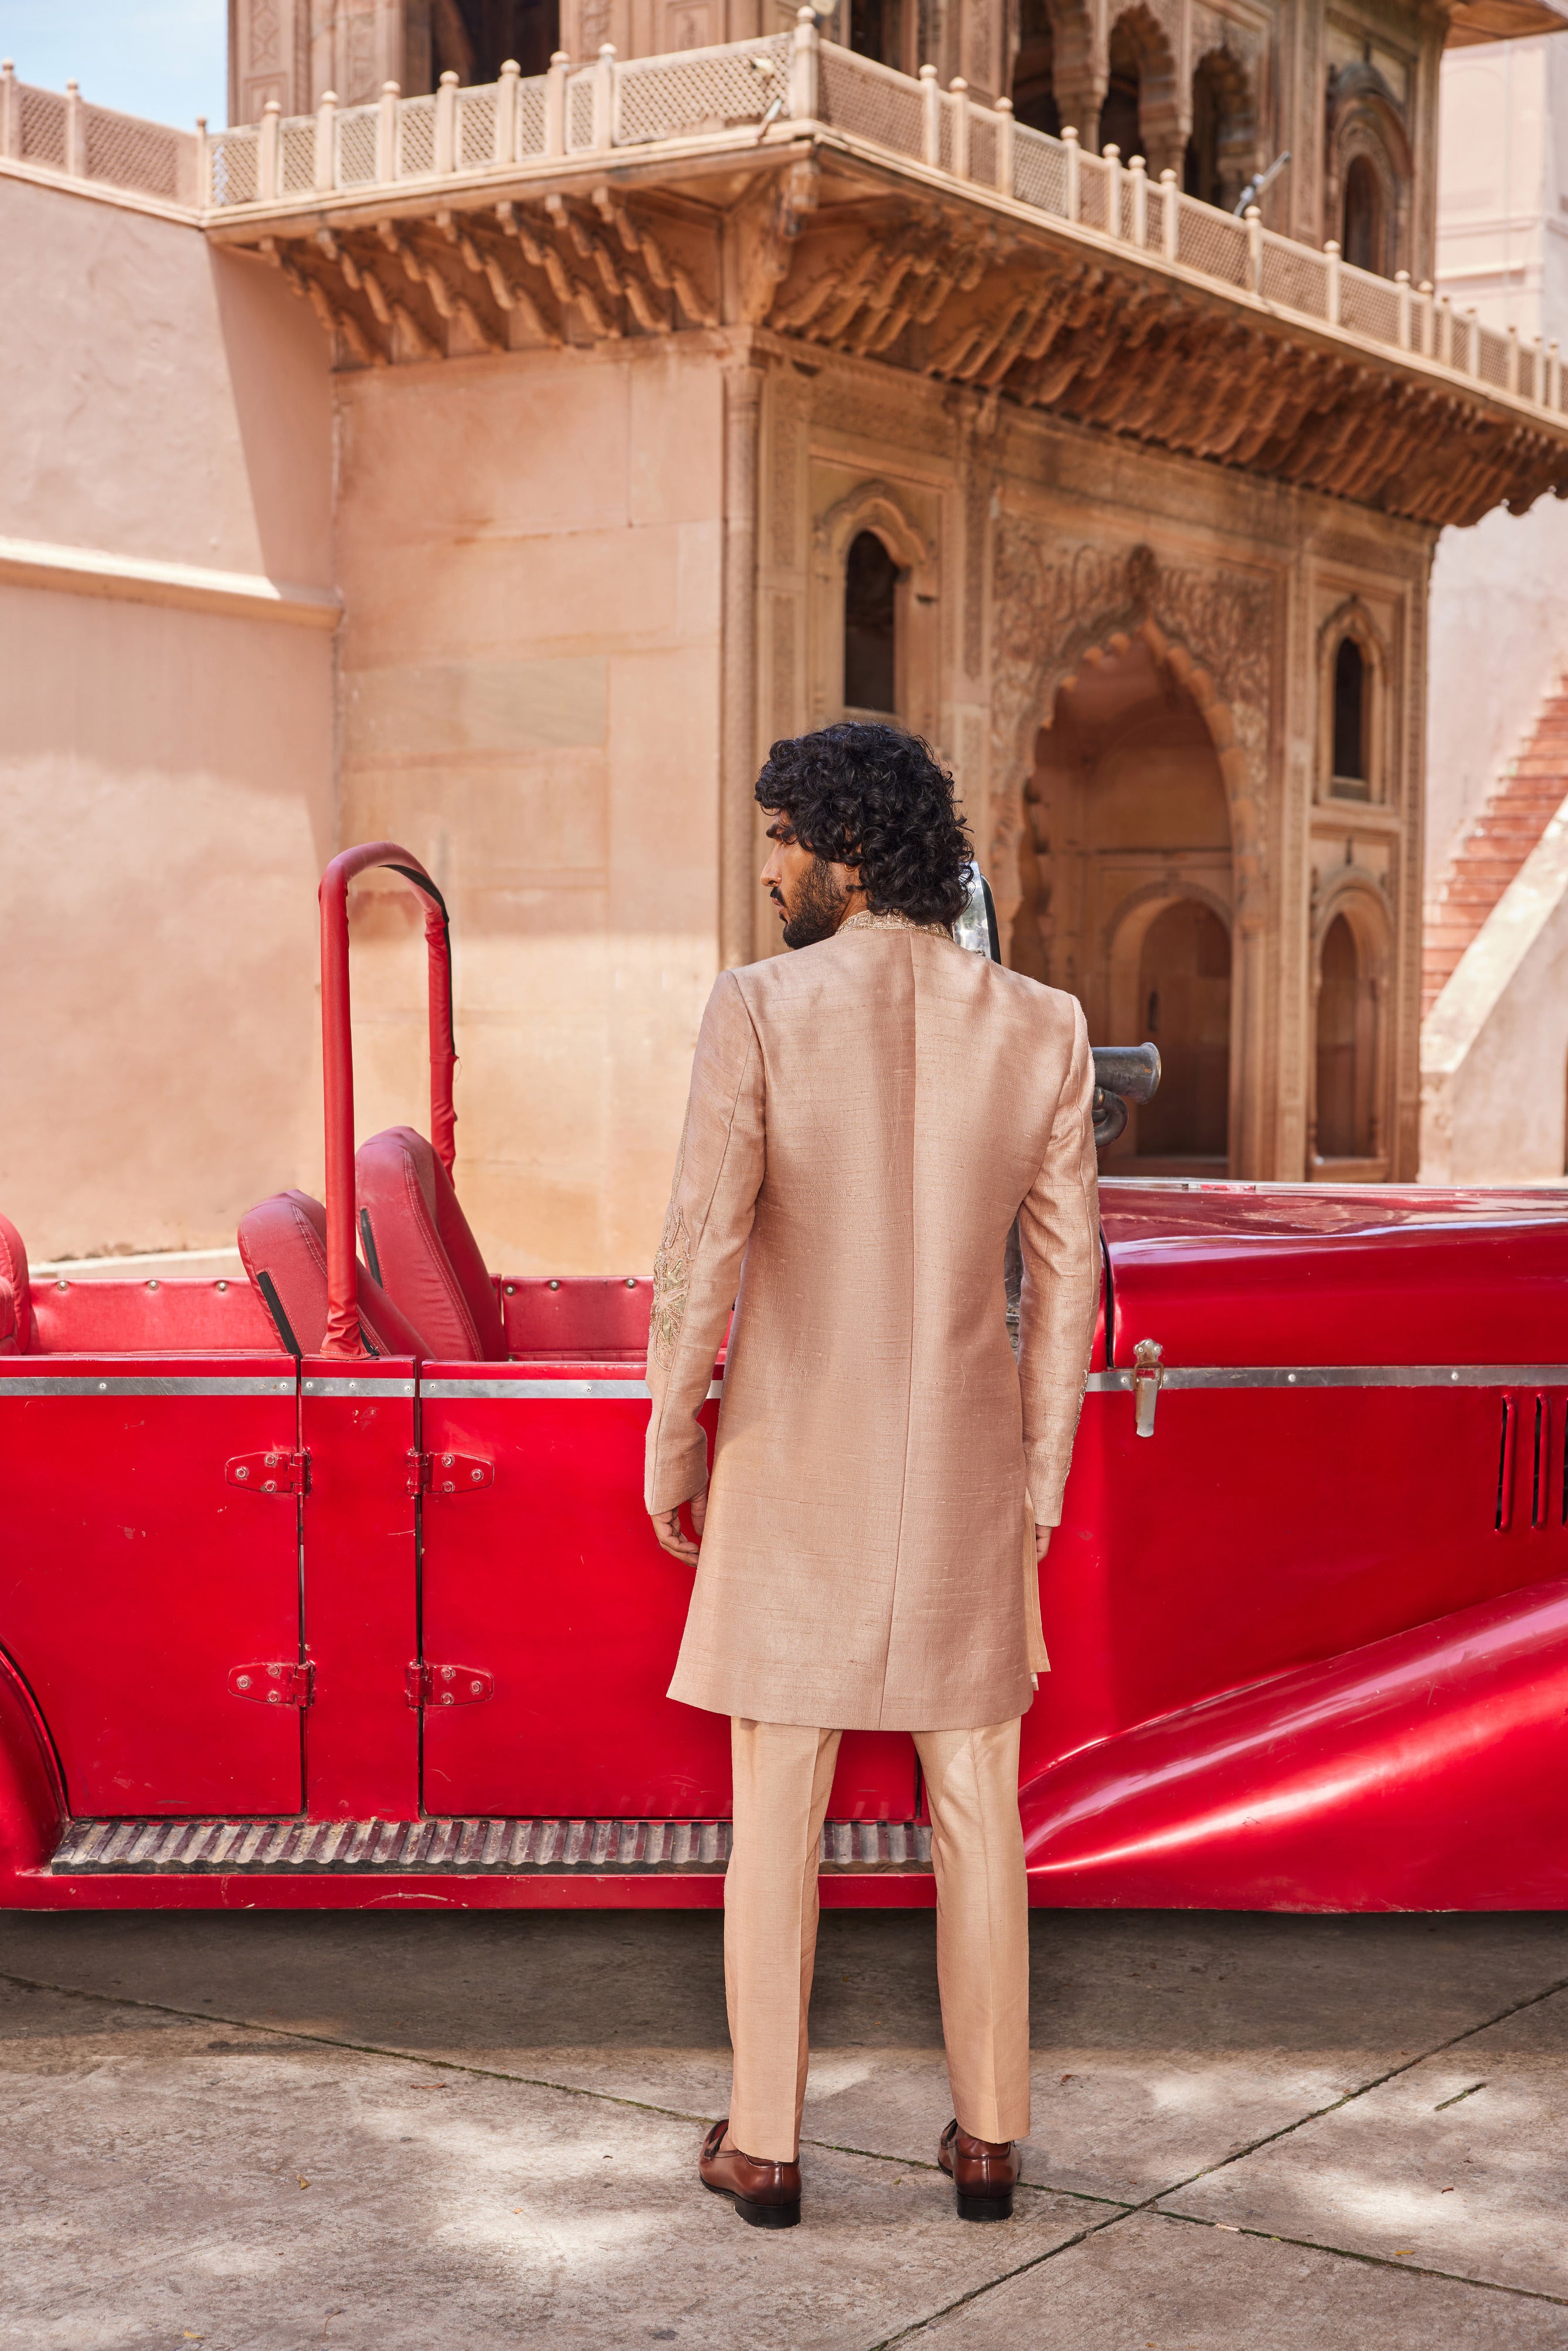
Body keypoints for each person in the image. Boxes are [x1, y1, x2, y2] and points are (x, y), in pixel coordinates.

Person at [645, 721, 1100, 2229]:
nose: (771, 869)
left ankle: (764, 2144)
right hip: (967, 1473)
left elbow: (702, 1248)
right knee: (979, 1799)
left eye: (783, 840)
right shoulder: (1042, 1023)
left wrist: (672, 1437)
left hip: (794, 1460)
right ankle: (991, 2141)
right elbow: (1067, 1286)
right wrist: (1039, 1479)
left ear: (843, 851)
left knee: (778, 1798)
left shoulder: (760, 1008)